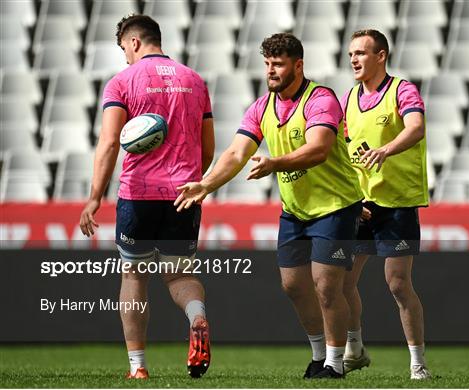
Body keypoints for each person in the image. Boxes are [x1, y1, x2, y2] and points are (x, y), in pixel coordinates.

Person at [175, 33, 363, 379]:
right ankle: (319, 355)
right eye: (267, 64)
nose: (271, 71)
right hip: (296, 210)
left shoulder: (320, 99)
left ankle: (335, 364)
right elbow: (235, 153)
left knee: (326, 285)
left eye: (278, 64)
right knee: (292, 285)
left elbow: (319, 148)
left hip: (336, 205)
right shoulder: (262, 107)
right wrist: (206, 184)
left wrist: (275, 164)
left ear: (298, 65)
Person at [79, 15, 215, 379]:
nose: (123, 54)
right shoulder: (194, 80)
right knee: (178, 273)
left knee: (134, 275)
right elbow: (208, 147)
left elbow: (109, 143)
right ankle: (197, 316)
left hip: (138, 193)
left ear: (135, 42)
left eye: (123, 46)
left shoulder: (122, 81)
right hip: (184, 193)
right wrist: (191, 180)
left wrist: (95, 198)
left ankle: (138, 368)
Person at [340, 29, 432, 380]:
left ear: (381, 56)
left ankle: (417, 363)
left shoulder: (401, 90)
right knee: (342, 280)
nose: (354, 59)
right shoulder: (348, 99)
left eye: (361, 53)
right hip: (361, 203)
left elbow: (416, 127)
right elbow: (345, 149)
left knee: (396, 283)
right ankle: (355, 348)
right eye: (351, 54)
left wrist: (386, 150)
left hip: (398, 202)